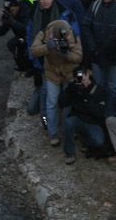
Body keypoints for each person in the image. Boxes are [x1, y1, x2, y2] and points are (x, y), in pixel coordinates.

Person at [30, 17, 83, 146]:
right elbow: (33, 50)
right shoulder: (44, 33)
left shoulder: (73, 35)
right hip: (52, 73)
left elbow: (79, 57)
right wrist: (47, 47)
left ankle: (67, 130)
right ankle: (53, 134)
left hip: (68, 73)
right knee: (52, 103)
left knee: (68, 103)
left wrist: (67, 54)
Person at [59, 68, 108, 163]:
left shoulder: (99, 90)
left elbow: (100, 113)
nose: (82, 83)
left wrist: (86, 100)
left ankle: (85, 140)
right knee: (68, 123)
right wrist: (68, 91)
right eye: (79, 81)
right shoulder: (74, 88)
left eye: (84, 80)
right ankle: (69, 153)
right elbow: (63, 104)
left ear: (88, 74)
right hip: (78, 119)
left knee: (98, 142)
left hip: (93, 122)